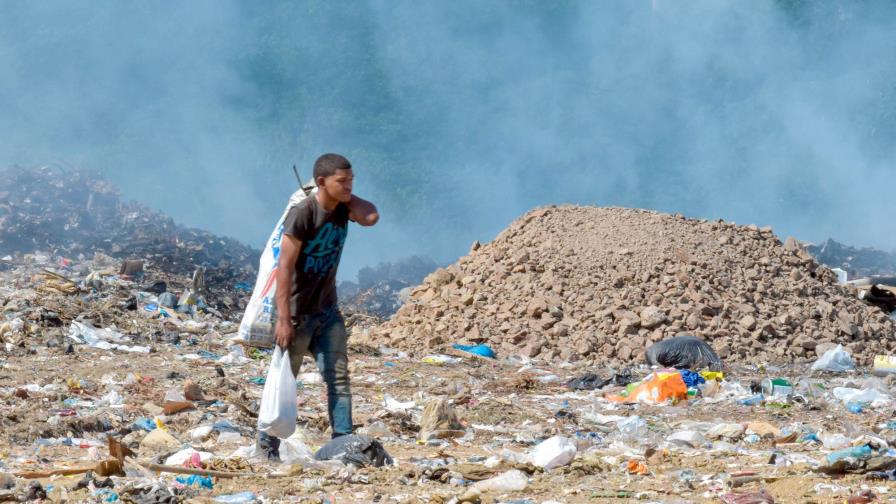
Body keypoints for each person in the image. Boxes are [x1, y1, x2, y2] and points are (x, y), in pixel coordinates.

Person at [257, 153, 379, 460]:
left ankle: (344, 443)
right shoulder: (303, 213)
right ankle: (266, 447)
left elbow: (371, 217)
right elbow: (284, 267)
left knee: (338, 378)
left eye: (352, 180)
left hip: (328, 310)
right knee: (284, 379)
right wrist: (283, 319)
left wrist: (344, 195)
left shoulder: (343, 209)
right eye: (342, 181)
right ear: (321, 182)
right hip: (298, 313)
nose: (349, 185)